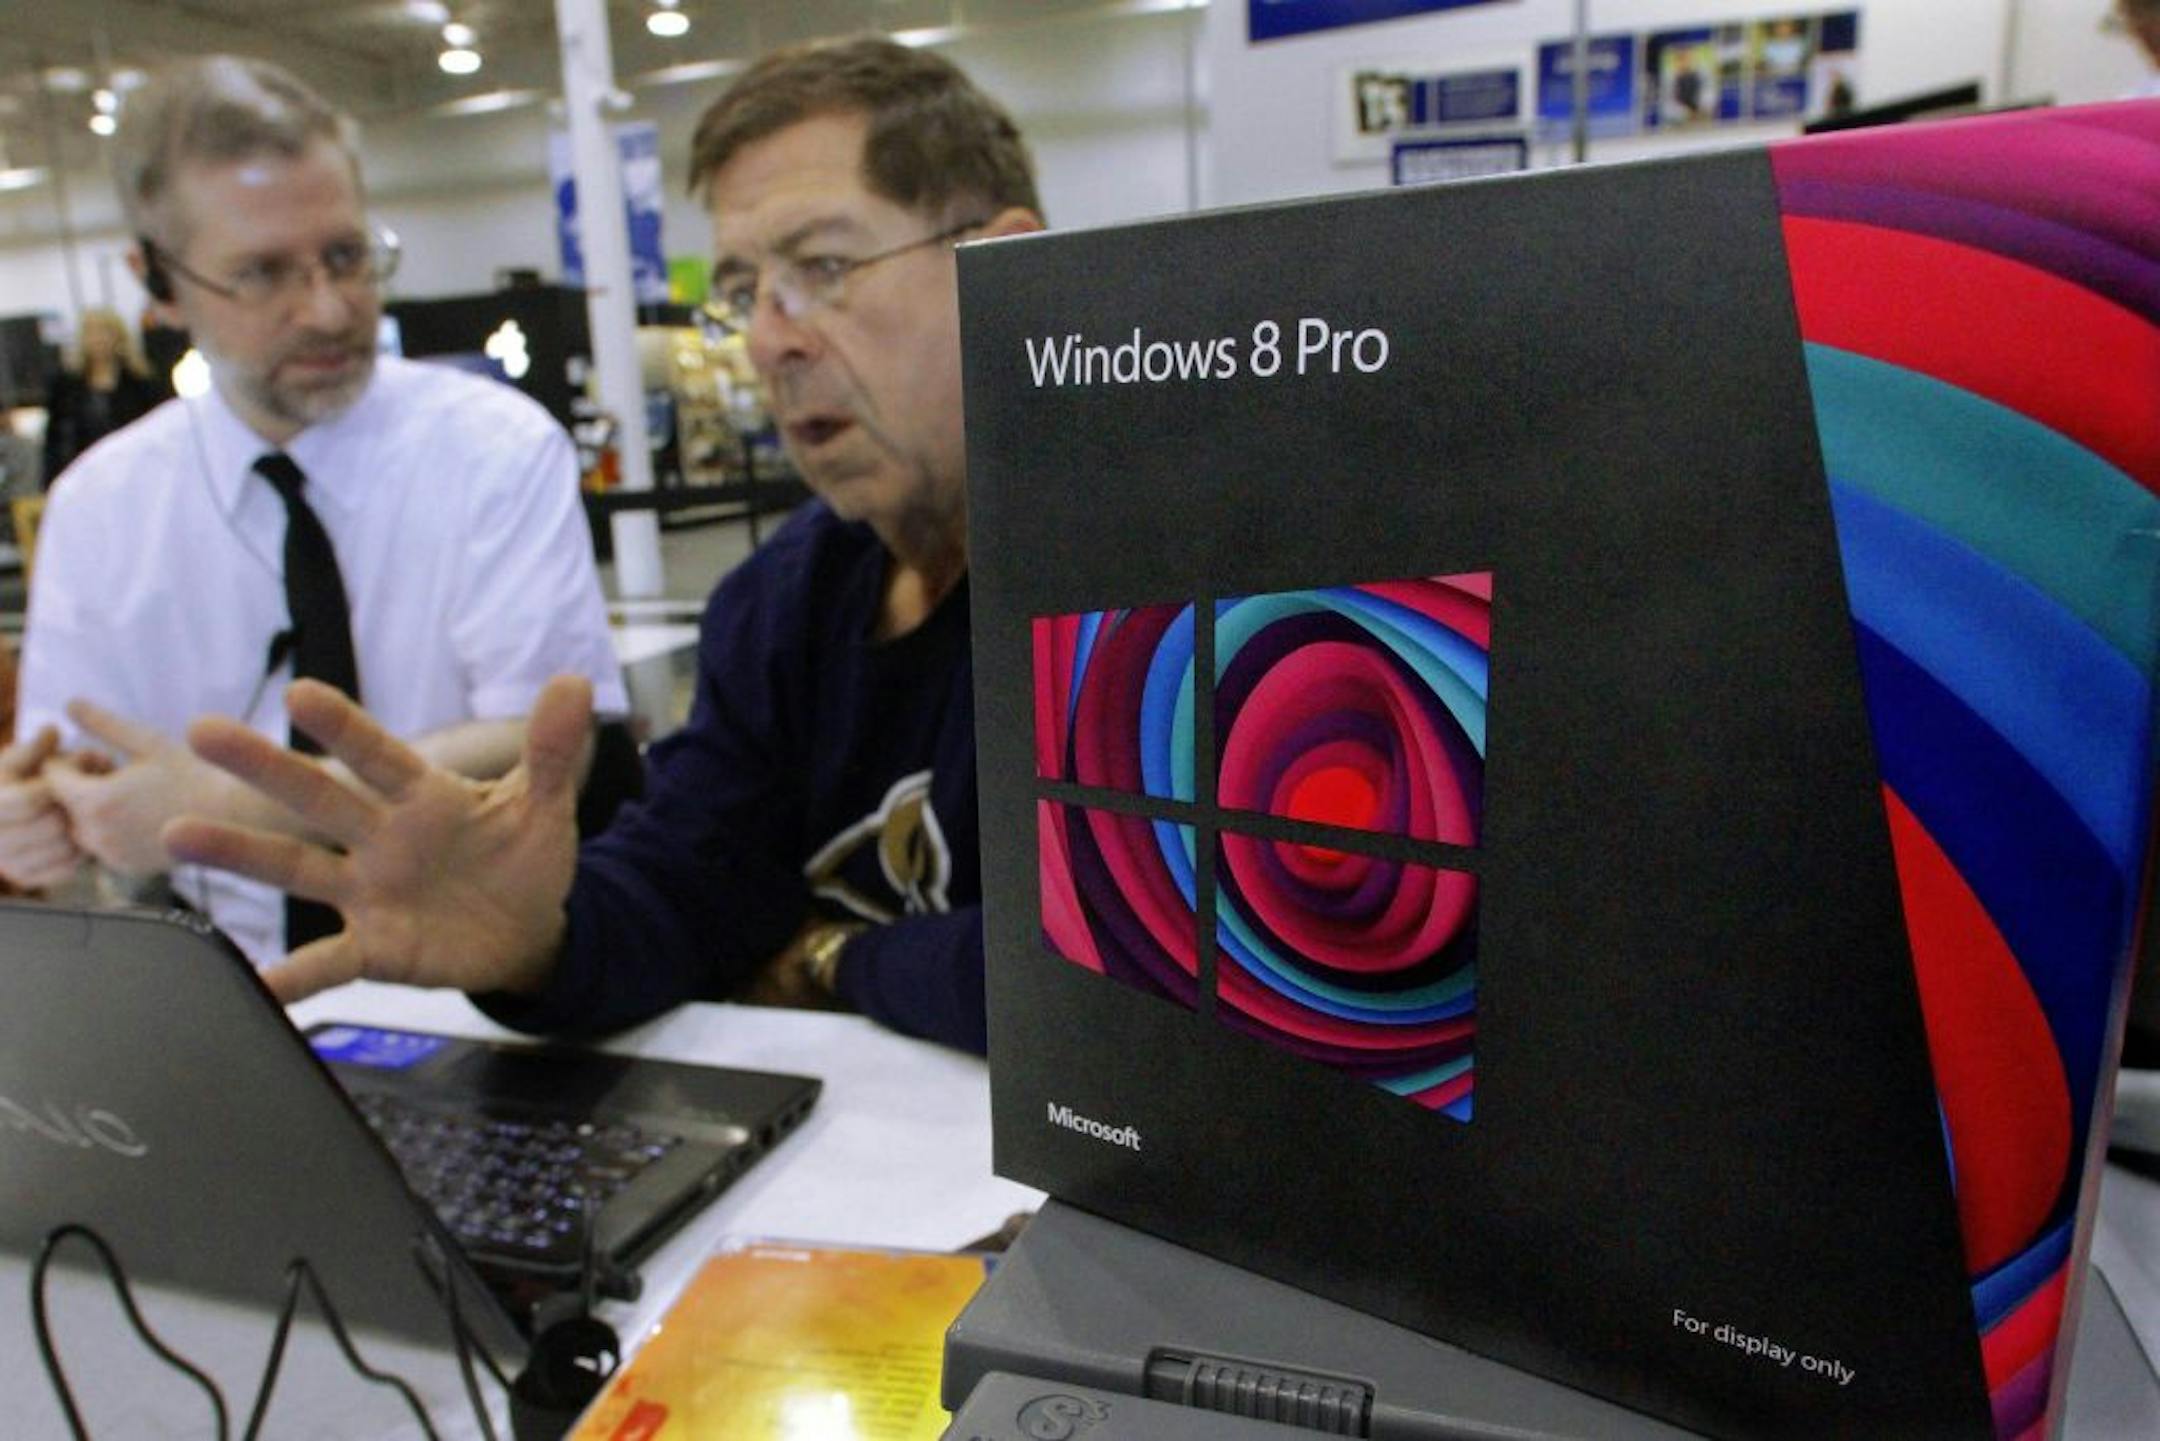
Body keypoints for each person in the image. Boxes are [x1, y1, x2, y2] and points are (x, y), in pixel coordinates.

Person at [165, 36, 1045, 1054]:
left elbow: (1144, 960)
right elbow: (690, 883)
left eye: (825, 267)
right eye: (746, 288)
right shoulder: (780, 602)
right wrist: (537, 938)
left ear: (1003, 268)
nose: (768, 339)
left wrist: (827, 957)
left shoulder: (1165, 583)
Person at [1, 56, 626, 969]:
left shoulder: (494, 447)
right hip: (222, 985)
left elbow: (547, 756)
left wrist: (221, 806)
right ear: (159, 284)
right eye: (262, 275)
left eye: (346, 256)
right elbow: (64, 771)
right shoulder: (100, 504)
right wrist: (40, 821)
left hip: (488, 970)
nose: (330, 310)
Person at [40, 309, 165, 486]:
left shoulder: (140, 383)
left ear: (118, 337)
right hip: (84, 472)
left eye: (105, 332)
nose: (98, 339)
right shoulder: (65, 386)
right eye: (91, 332)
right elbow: (54, 437)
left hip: (134, 469)